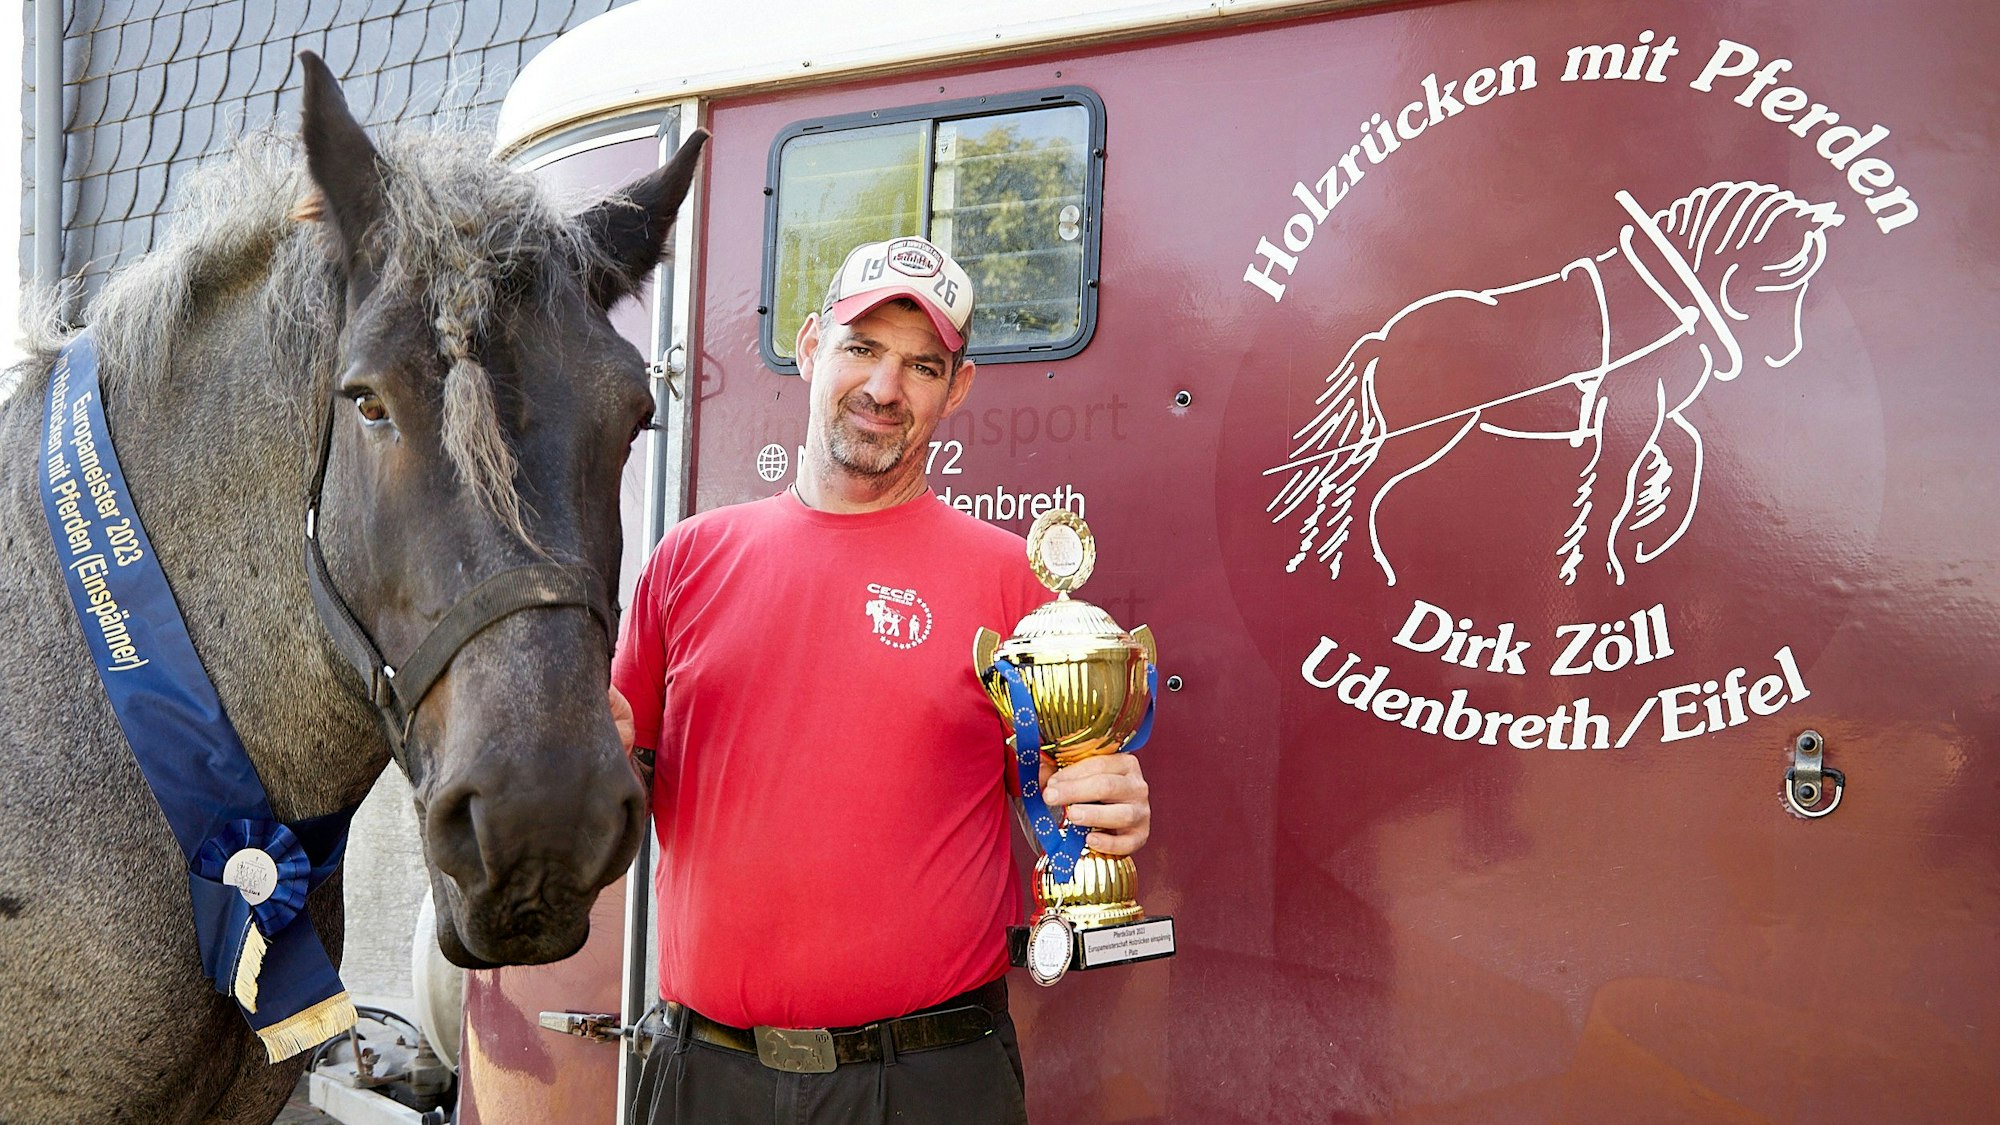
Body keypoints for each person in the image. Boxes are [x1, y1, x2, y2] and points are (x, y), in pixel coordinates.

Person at [609, 236, 1153, 1124]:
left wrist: (1105, 807)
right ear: (812, 346)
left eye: (922, 365)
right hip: (706, 1074)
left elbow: (1060, 807)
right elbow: (622, 786)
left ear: (958, 389)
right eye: (863, 348)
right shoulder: (688, 560)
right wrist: (580, 755)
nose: (885, 388)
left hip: (930, 1080)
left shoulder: (1016, 583)